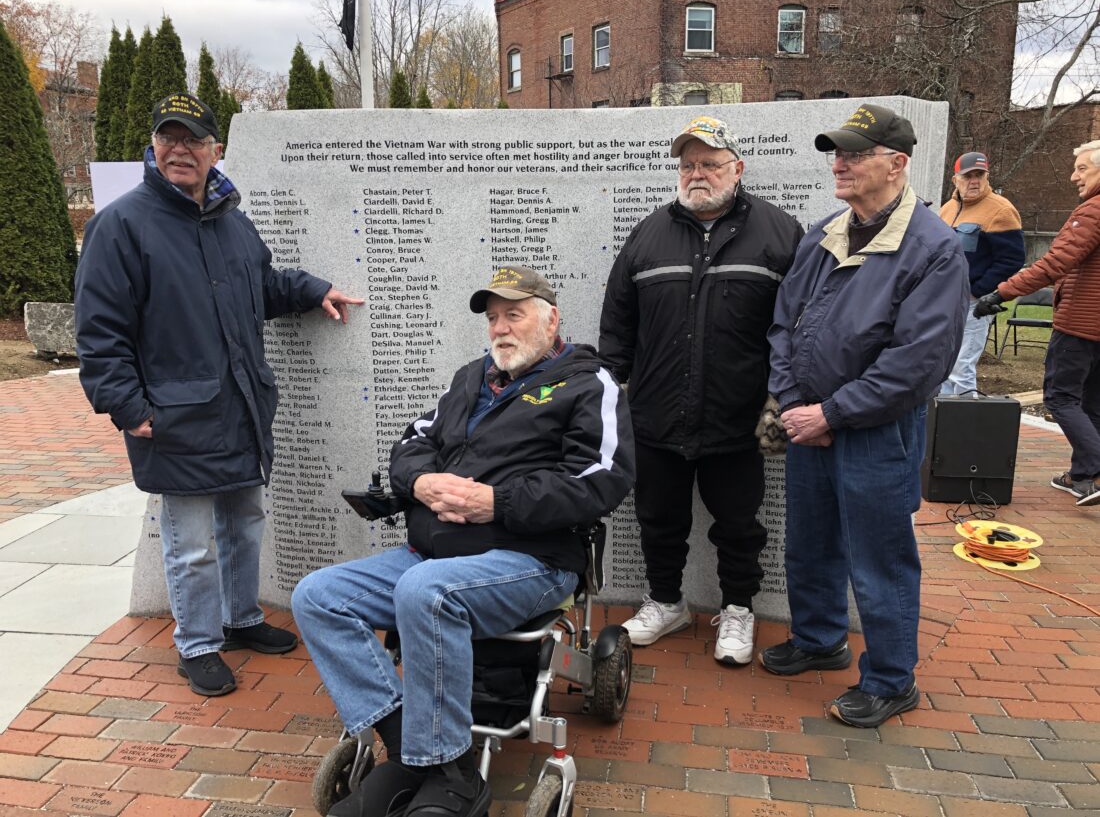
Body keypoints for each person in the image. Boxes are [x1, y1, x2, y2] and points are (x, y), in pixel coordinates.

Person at [292, 266, 634, 817]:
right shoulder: (469, 380)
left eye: (514, 315)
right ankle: (408, 748)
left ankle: (455, 776)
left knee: (427, 591)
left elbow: (601, 479)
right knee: (318, 595)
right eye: (493, 318)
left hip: (531, 559)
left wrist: (496, 502)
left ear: (551, 319)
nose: (500, 328)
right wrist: (422, 482)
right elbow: (412, 443)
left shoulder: (589, 385)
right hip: (434, 552)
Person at [74, 93, 363, 697]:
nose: (180, 149)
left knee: (245, 521)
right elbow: (99, 331)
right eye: (168, 138)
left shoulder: (231, 219)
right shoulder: (121, 224)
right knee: (191, 544)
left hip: (239, 406)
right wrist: (128, 407)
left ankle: (240, 619)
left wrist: (314, 290)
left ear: (215, 150)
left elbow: (262, 283)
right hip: (174, 417)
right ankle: (199, 643)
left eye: (193, 140)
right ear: (153, 148)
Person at [763, 104, 968, 728]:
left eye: (855, 153)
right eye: (838, 151)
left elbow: (918, 363)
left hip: (877, 432)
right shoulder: (825, 231)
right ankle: (821, 639)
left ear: (897, 163)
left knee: (880, 557)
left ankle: (890, 678)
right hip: (810, 425)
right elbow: (784, 323)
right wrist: (794, 403)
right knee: (811, 542)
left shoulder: (934, 249)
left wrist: (833, 412)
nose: (840, 162)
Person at [599, 116, 802, 664]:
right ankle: (666, 601)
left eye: (710, 163)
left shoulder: (781, 233)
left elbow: (801, 326)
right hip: (657, 414)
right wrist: (613, 389)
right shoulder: (648, 233)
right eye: (688, 164)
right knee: (658, 517)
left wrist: (783, 405)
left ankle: (738, 610)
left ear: (737, 168)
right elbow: (618, 316)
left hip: (740, 418)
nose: (697, 173)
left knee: (739, 524)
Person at [974, 139, 1100, 506]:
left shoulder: (1091, 211)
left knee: (1060, 397)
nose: (1073, 175)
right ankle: (1082, 477)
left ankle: (1094, 465)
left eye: (1082, 169)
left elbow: (1053, 264)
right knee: (1092, 403)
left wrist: (1000, 294)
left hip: (1080, 325)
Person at [938, 152, 1025, 396]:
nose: (974, 181)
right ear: (956, 179)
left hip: (973, 303)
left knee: (961, 367)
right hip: (945, 299)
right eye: (968, 176)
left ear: (987, 177)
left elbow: (1012, 260)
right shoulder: (949, 208)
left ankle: (965, 426)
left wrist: (977, 292)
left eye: (979, 175)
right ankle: (941, 425)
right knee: (942, 365)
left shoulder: (1001, 210)